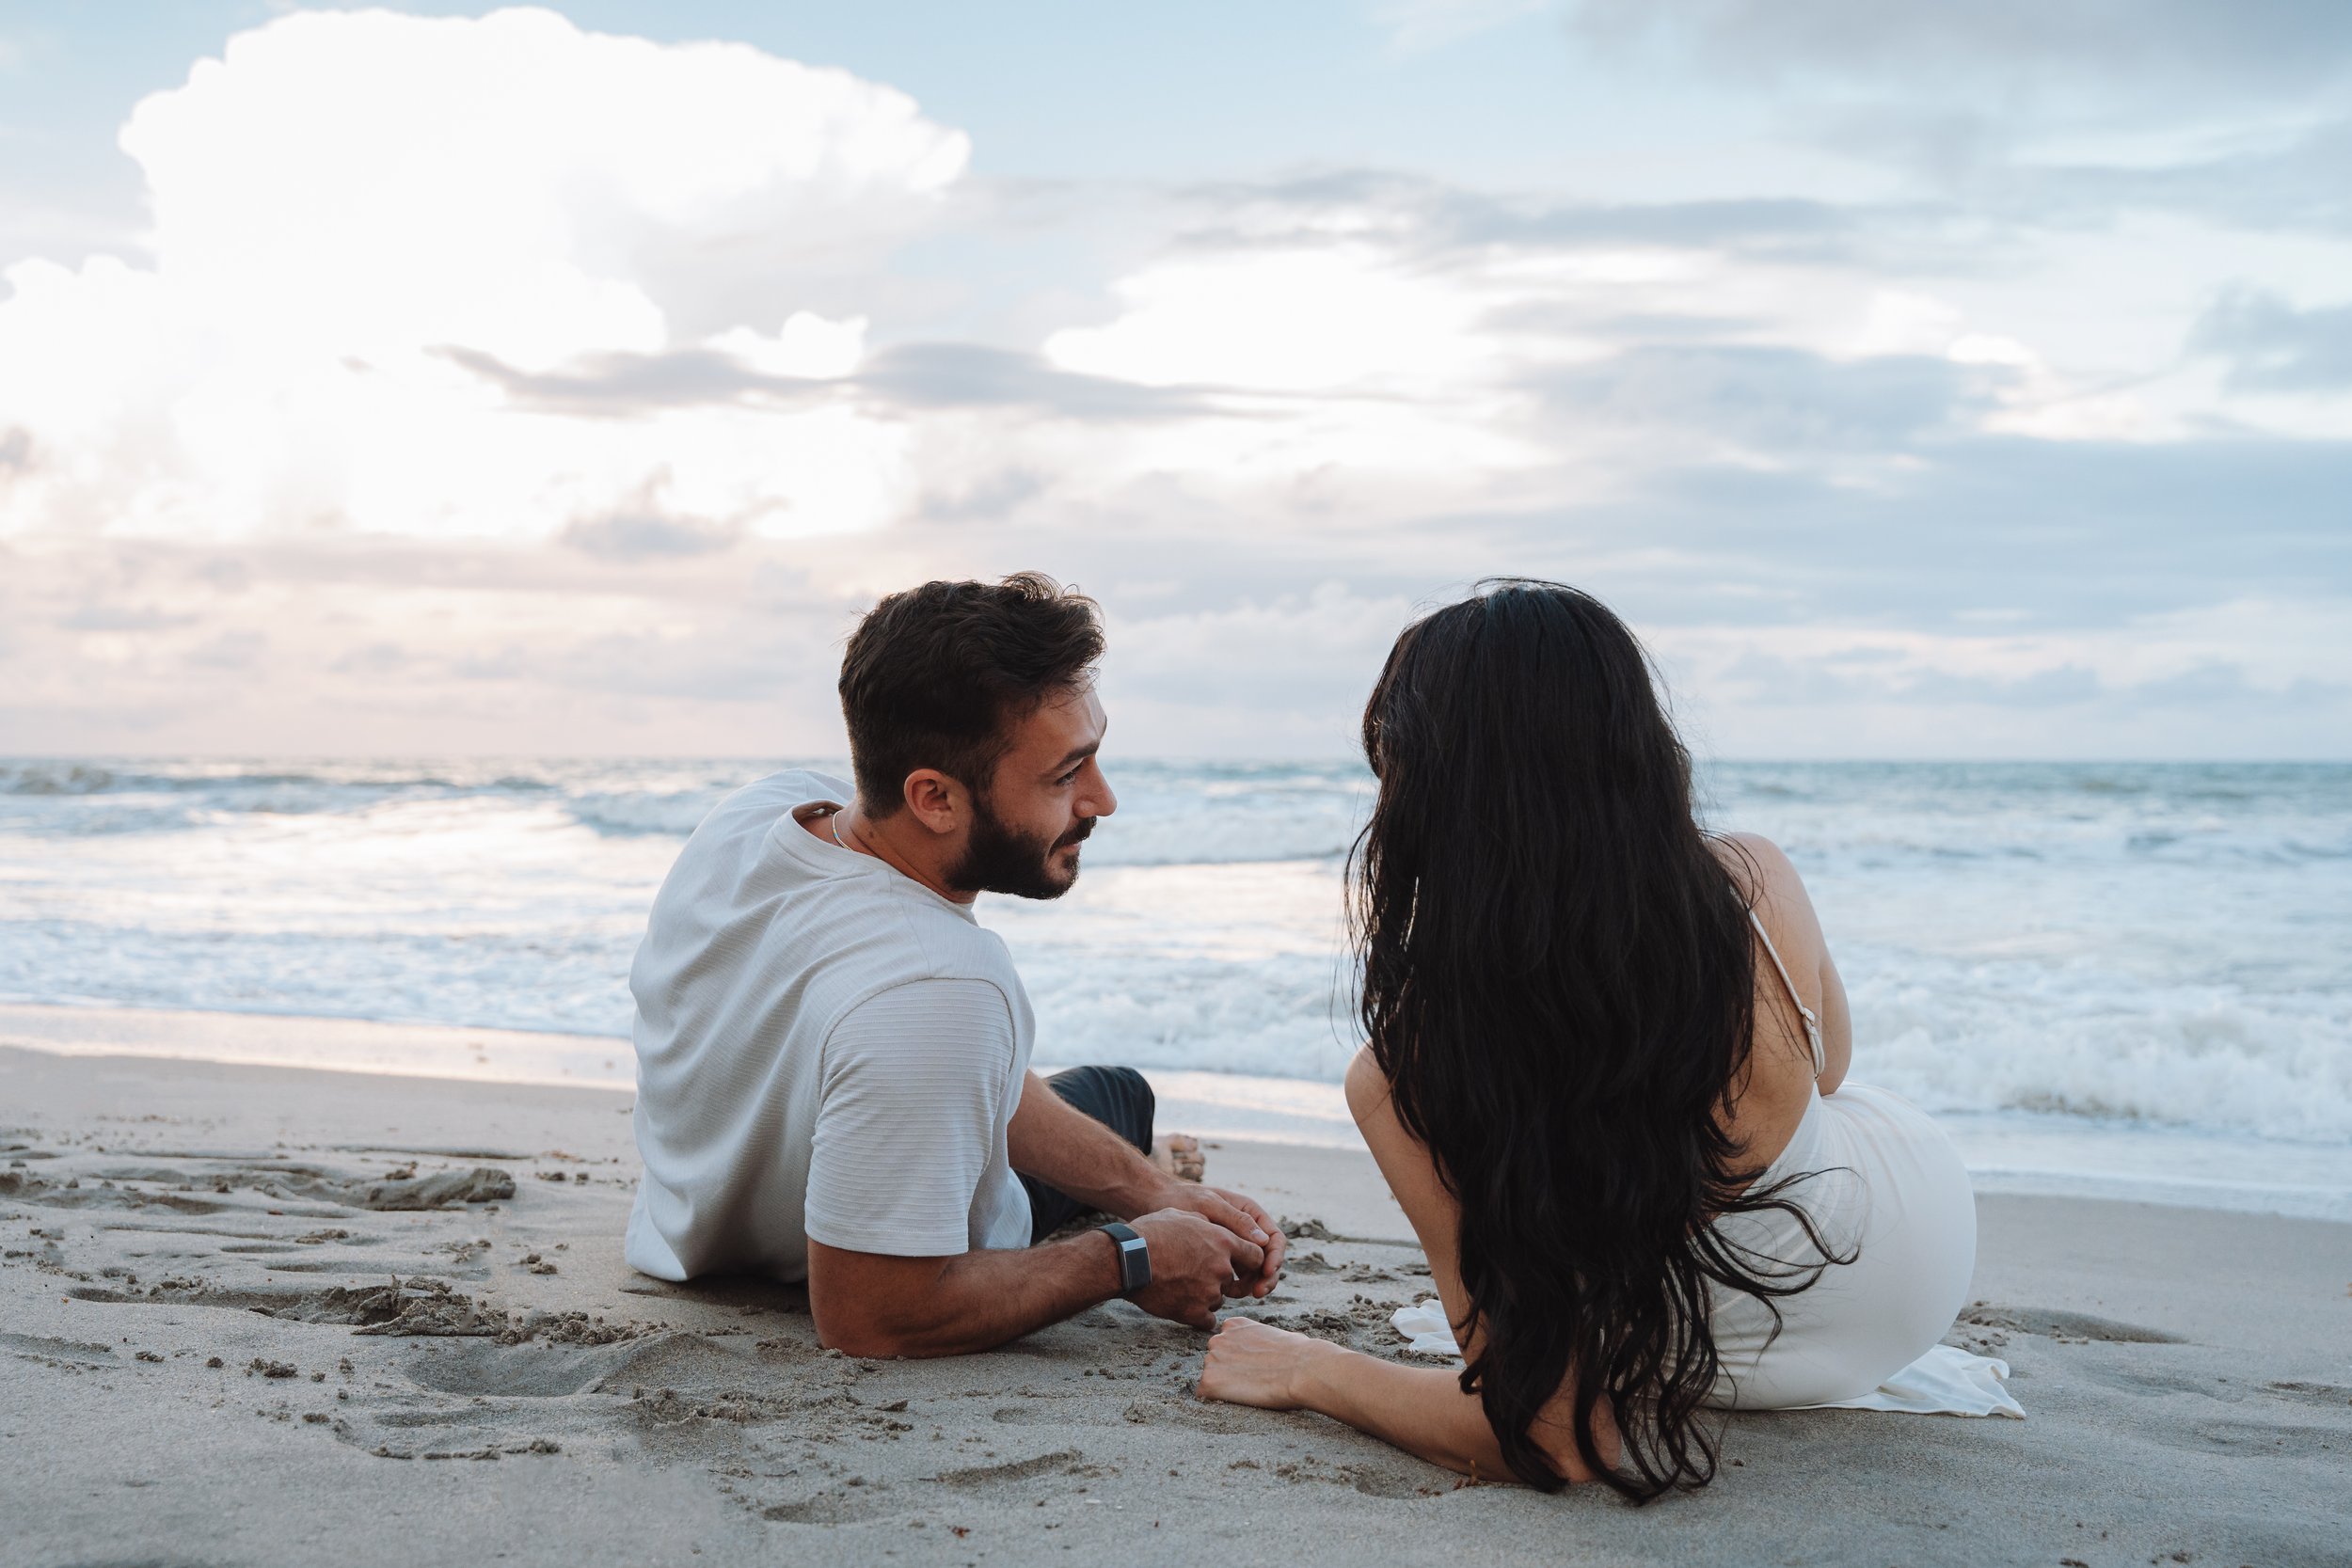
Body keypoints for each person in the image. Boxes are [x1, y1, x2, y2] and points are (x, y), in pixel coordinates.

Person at [1196, 580, 1976, 1499]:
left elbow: (1550, 1434)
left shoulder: (1407, 1071)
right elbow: (1832, 1068)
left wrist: (1302, 1366)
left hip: (1713, 1344)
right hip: (1913, 1260)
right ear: (1632, 748)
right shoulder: (1751, 881)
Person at [625, 572, 1286, 1355]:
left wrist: (1157, 1193)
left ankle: (1156, 1166)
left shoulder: (758, 814)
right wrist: (1134, 1254)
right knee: (1121, 1093)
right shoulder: (938, 985)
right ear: (934, 797)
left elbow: (916, 1033)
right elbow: (873, 1313)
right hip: (861, 1238)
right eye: (1065, 774)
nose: (1102, 800)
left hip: (694, 1220)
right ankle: (1151, 1150)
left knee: (1070, 1093)